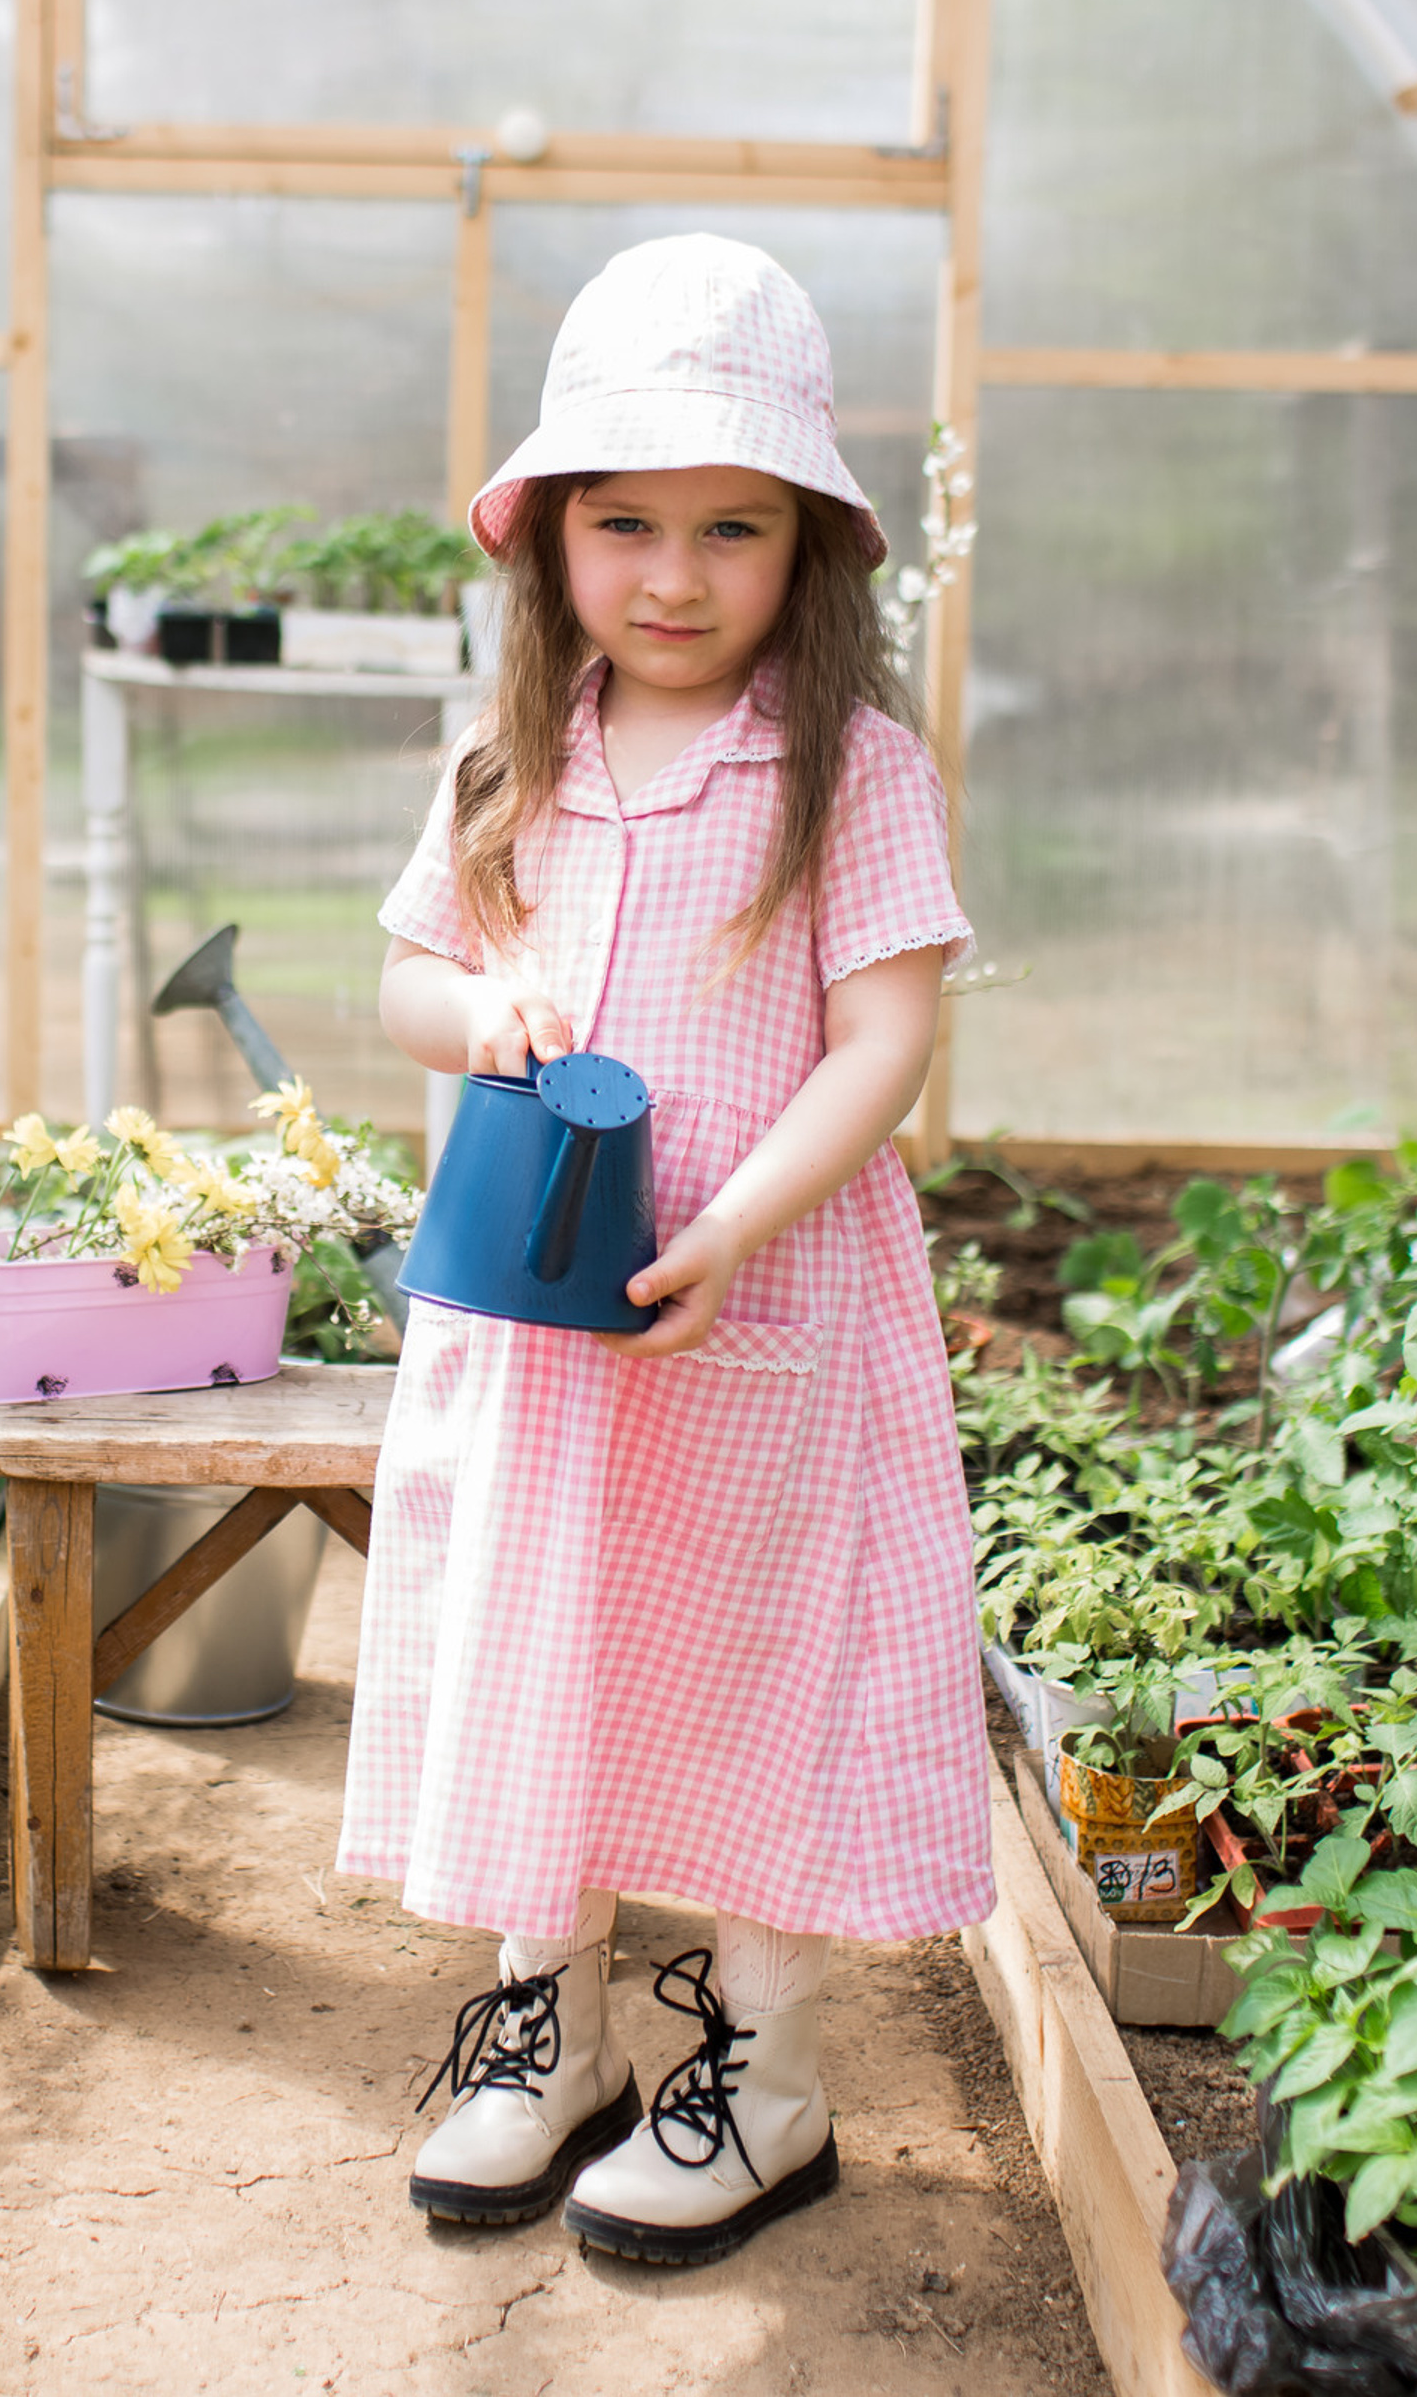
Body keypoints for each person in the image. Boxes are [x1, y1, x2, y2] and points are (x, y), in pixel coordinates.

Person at [336, 233, 996, 2268]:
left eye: (731, 526)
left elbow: (885, 1037)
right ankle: (549, 2031)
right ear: (546, 541)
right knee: (546, 1647)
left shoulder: (845, 770)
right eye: (622, 521)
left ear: (807, 548)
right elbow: (403, 984)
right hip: (542, 1325)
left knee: (746, 1667)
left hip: (759, 1301)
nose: (675, 572)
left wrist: (724, 1219)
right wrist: (491, 1011)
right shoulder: (515, 757)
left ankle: (764, 2071)